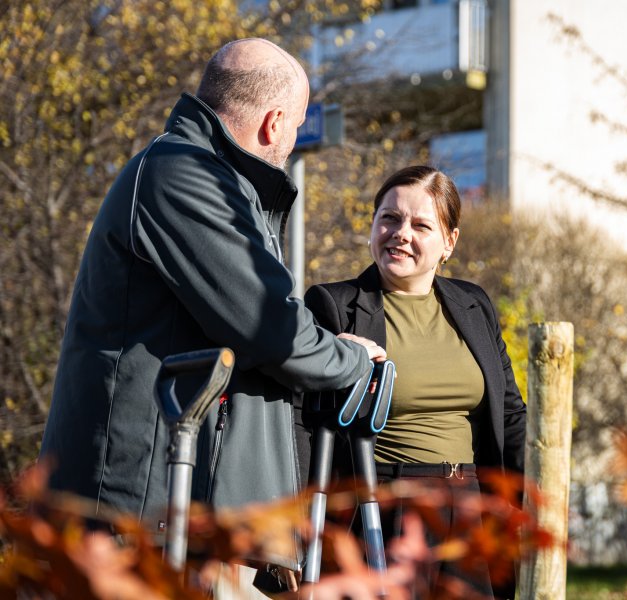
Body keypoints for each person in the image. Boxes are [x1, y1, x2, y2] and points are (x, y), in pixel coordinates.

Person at [39, 39, 385, 574]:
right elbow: (271, 328)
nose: (293, 141)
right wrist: (351, 361)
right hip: (147, 511)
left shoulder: (211, 180)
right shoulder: (182, 175)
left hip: (182, 508)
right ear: (274, 123)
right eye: (294, 125)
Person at [298, 165, 526, 598]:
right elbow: (301, 425)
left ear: (449, 243)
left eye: (421, 224)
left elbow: (510, 413)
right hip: (383, 510)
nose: (401, 233)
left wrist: (539, 498)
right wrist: (296, 537)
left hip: (471, 509)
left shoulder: (474, 304)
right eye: (389, 218)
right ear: (372, 226)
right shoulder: (334, 305)